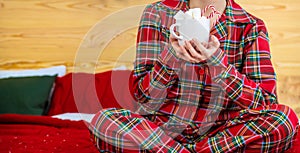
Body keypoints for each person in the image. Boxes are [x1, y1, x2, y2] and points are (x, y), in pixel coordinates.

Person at [89, 0, 299, 152]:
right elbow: (142, 96)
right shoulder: (157, 13)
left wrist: (218, 64)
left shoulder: (251, 26)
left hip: (222, 134)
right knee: (103, 121)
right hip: (162, 131)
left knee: (285, 120)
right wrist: (170, 58)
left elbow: (266, 103)